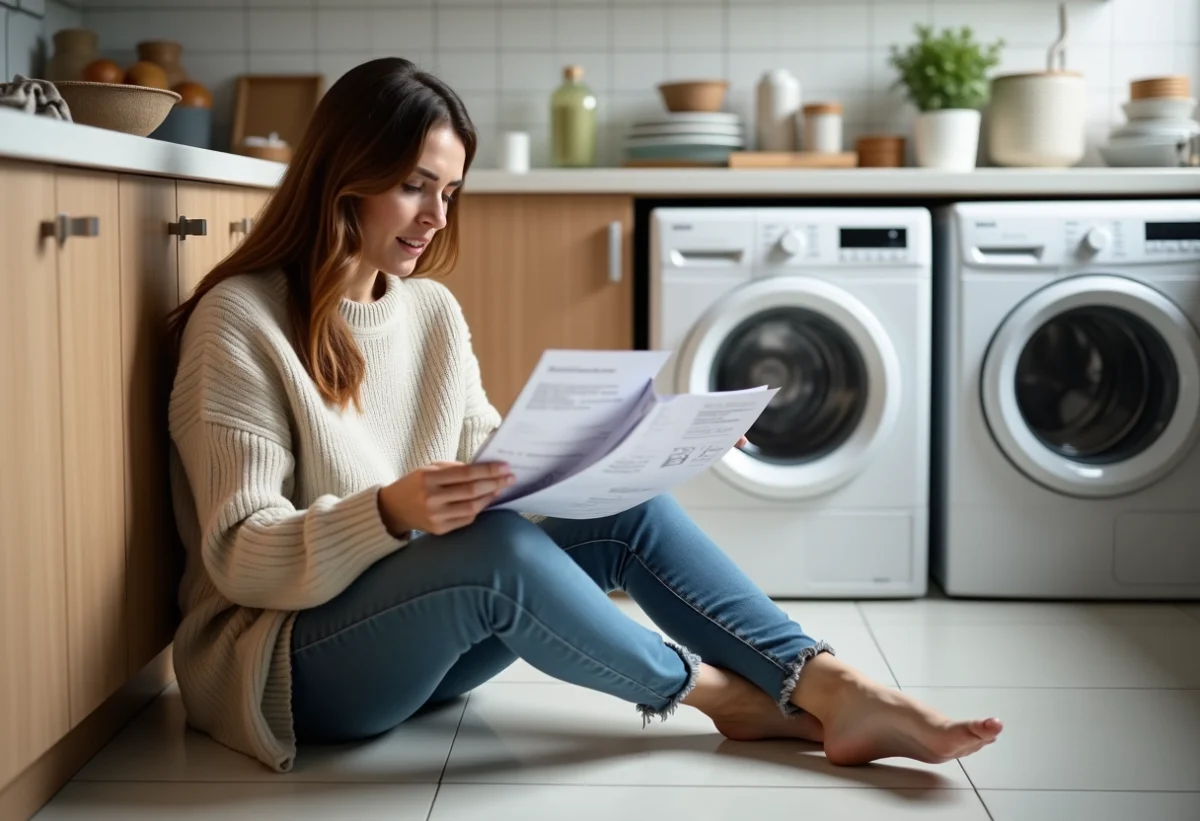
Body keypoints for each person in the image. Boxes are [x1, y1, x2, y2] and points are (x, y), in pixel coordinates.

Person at [165, 57, 1002, 775]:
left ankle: (832, 686)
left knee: (620, 514)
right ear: (340, 175)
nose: (436, 218)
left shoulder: (430, 314)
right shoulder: (240, 321)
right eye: (414, 186)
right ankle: (718, 696)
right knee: (497, 551)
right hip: (285, 665)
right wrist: (388, 511)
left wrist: (649, 438)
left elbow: (496, 469)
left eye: (450, 191)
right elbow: (240, 558)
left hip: (424, 630)